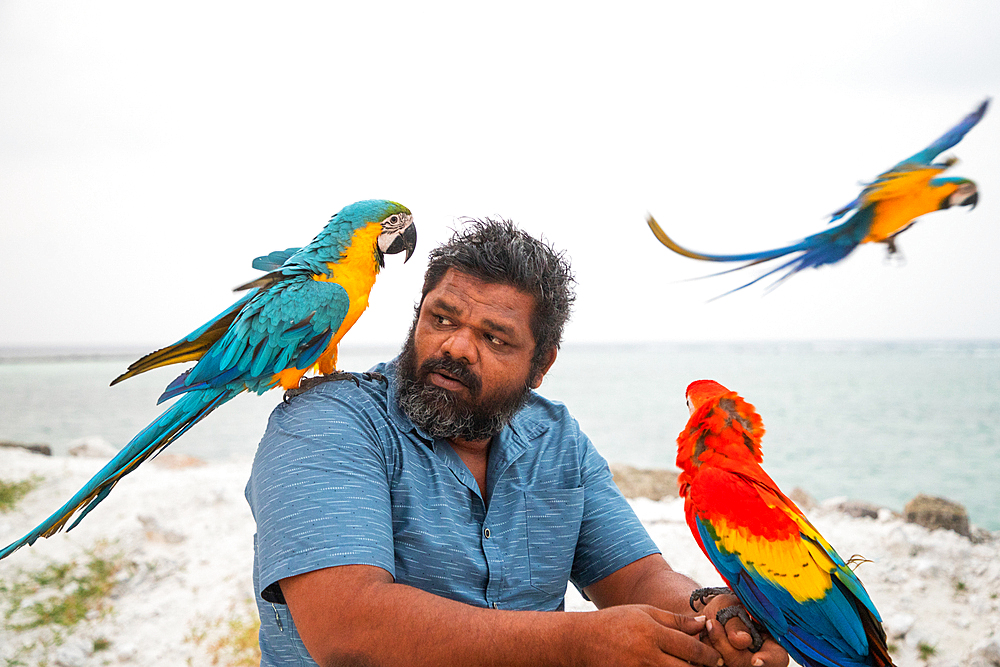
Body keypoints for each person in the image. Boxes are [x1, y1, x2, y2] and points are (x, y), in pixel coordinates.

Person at [246, 218, 789, 667]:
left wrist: (709, 616)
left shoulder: (555, 439)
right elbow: (346, 629)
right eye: (442, 318)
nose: (456, 346)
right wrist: (577, 644)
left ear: (541, 365)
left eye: (494, 337)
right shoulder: (327, 422)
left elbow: (639, 577)